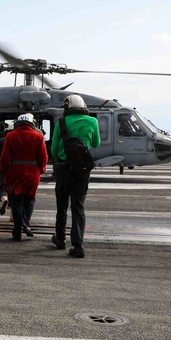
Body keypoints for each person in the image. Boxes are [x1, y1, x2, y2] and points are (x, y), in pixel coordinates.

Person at [52, 94, 101, 258]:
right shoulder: (92, 121)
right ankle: (78, 244)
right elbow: (96, 143)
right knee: (78, 206)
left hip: (64, 169)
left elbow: (53, 149)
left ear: (67, 107)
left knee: (62, 206)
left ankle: (60, 239)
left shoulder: (61, 122)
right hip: (82, 169)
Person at [0, 113, 48, 241]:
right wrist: (41, 170)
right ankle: (25, 224)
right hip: (33, 173)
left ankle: (17, 230)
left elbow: (4, 158)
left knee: (16, 202)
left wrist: (6, 170)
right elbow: (43, 157)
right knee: (30, 200)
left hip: (14, 173)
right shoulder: (39, 136)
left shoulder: (10, 136)